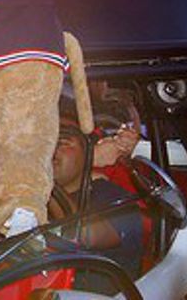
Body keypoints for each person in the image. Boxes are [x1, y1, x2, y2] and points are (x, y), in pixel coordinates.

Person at [49, 113, 143, 294]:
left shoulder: (115, 199)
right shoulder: (27, 200)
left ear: (89, 153)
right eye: (44, 141)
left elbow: (84, 235)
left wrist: (40, 177)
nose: (50, 148)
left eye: (63, 141)